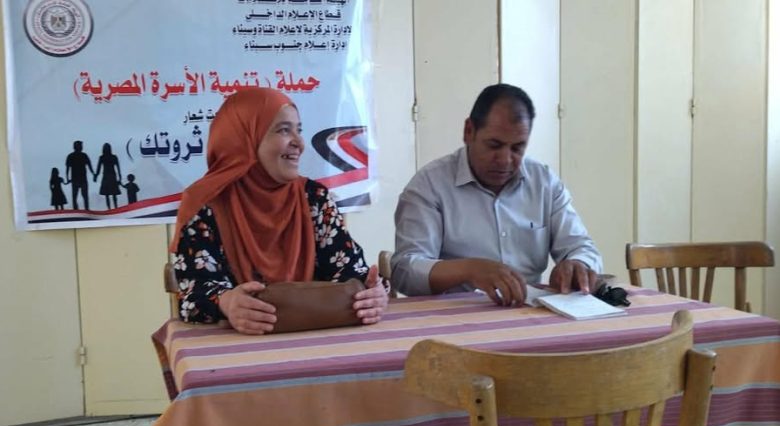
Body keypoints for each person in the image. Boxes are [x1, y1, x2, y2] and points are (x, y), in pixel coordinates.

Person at [170, 88, 387, 334]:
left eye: (298, 130)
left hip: (317, 337)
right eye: (284, 130)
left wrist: (371, 294)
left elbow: (350, 272)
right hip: (237, 344)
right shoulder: (205, 205)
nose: (299, 143)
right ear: (244, 139)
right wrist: (226, 302)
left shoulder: (314, 198)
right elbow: (192, 295)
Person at [392, 84, 602, 306]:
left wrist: (578, 264)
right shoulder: (429, 185)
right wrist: (469, 269)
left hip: (529, 312)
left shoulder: (544, 182)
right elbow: (405, 272)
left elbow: (582, 247)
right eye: (494, 145)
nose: (505, 160)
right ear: (469, 132)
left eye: (517, 148)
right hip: (454, 316)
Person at [65, 140, 94, 210]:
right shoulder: (82, 155)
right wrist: (93, 174)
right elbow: (89, 166)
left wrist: (68, 178)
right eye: (80, 146)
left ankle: (83, 209)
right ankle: (84, 209)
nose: (81, 147)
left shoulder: (72, 156)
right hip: (79, 179)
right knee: (80, 196)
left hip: (78, 179)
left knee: (78, 196)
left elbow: (67, 169)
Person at [94, 142, 122, 209]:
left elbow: (98, 168)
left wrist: (96, 176)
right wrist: (119, 176)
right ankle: (113, 207)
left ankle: (111, 208)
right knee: (111, 194)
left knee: (109, 194)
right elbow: (118, 167)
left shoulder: (103, 157)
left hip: (108, 176)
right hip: (110, 176)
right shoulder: (112, 157)